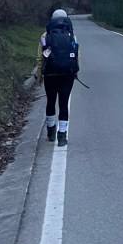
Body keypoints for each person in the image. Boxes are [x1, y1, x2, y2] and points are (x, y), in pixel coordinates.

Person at [38, 8, 79, 147]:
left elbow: (40, 57)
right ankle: (62, 135)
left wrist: (40, 74)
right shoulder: (72, 35)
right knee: (63, 103)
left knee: (51, 101)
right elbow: (76, 54)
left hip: (50, 74)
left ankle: (51, 131)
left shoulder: (45, 36)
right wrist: (75, 71)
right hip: (67, 75)